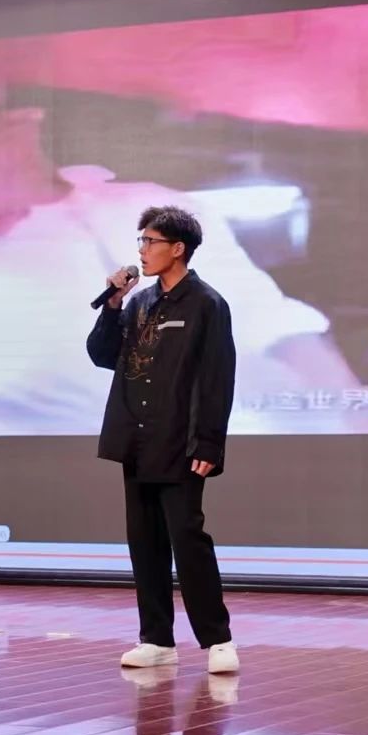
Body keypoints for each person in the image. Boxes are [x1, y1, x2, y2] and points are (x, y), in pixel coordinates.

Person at [0, 77, 368, 437]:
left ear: (21, 121)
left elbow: (267, 328)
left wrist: (361, 423)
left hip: (105, 470)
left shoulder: (139, 211)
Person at [87, 205, 239, 674]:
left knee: (188, 539)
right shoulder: (138, 303)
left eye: (150, 242)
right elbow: (103, 355)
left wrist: (209, 442)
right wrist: (113, 305)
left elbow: (217, 377)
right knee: (145, 542)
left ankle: (218, 640)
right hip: (137, 439)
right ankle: (156, 639)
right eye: (141, 241)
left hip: (180, 442)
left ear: (178, 248)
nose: (142, 250)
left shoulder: (207, 304)